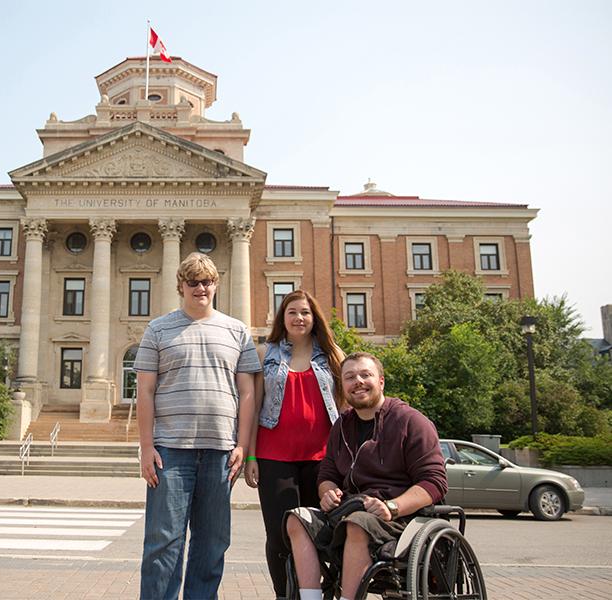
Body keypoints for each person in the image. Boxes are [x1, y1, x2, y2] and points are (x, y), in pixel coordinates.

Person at [135, 252, 262, 600]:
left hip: (221, 451)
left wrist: (243, 446)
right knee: (164, 542)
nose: (200, 288)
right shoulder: (158, 329)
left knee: (212, 543)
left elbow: (247, 392)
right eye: (193, 282)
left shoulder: (237, 331)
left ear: (216, 284)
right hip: (170, 452)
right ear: (181, 286)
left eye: (207, 281)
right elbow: (144, 390)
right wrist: (146, 447)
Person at [284, 352, 447, 600]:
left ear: (381, 381)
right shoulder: (341, 426)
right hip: (350, 510)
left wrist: (392, 506)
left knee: (358, 524)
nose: (357, 381)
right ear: (343, 386)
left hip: (399, 517)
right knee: (297, 519)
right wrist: (327, 491)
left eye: (365, 374)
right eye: (349, 377)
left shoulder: (410, 421)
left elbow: (434, 482)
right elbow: (327, 473)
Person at [243, 289, 346, 599]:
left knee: (322, 533)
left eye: (305, 312)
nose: (299, 318)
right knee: (279, 535)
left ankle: (318, 592)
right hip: (274, 457)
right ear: (282, 318)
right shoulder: (266, 353)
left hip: (322, 460)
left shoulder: (332, 354)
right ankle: (284, 594)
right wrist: (250, 457)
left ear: (314, 318)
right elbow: (254, 405)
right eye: (292, 312)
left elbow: (346, 407)